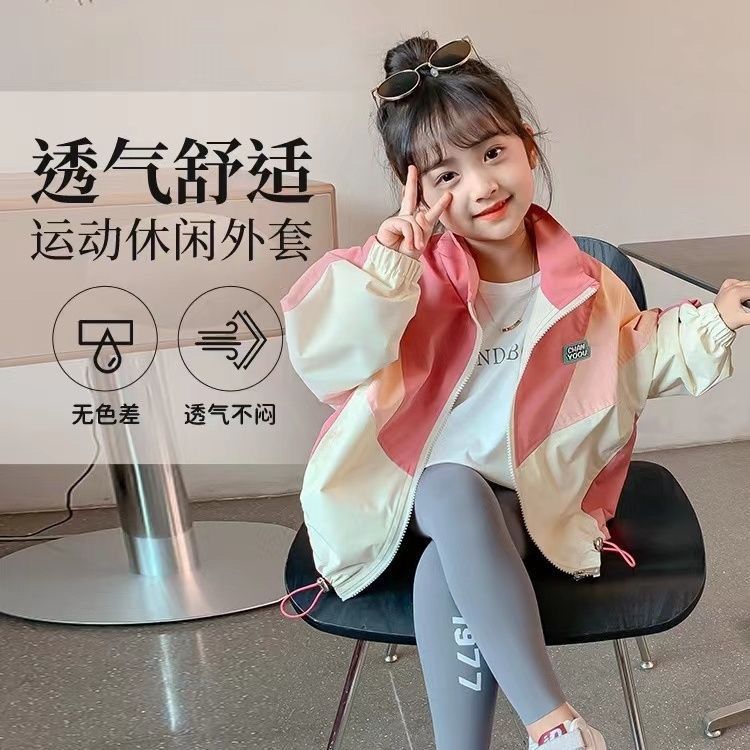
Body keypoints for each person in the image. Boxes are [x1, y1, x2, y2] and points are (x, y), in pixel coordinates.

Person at [279, 34, 750, 750]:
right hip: (404, 492)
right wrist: (388, 273)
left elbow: (632, 358)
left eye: (493, 152)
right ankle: (552, 722)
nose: (480, 186)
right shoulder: (395, 275)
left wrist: (716, 320)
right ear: (416, 189)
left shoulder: (585, 286)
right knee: (450, 486)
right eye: (447, 174)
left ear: (527, 147)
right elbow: (330, 361)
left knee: (450, 558)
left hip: (523, 496)